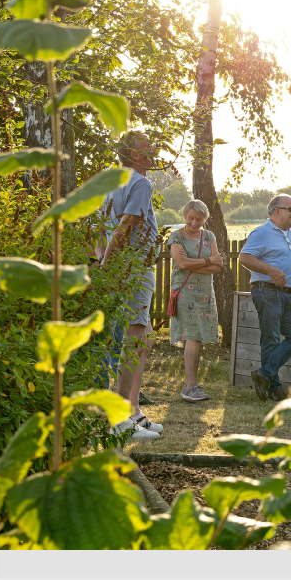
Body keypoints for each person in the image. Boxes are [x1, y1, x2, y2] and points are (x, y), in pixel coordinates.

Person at [97, 131, 163, 440]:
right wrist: (109, 263)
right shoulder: (140, 182)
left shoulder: (113, 181)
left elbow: (98, 228)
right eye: (147, 148)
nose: (153, 152)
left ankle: (131, 412)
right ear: (133, 155)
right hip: (133, 267)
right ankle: (121, 419)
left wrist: (102, 262)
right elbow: (127, 223)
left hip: (121, 268)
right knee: (134, 339)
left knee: (141, 337)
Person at [238, 195, 291, 402]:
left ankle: (264, 374)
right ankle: (274, 388)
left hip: (288, 295)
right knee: (271, 339)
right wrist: (270, 270)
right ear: (277, 211)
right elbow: (244, 258)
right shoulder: (262, 233)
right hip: (266, 291)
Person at [167, 199, 224, 402]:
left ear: (204, 219)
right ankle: (189, 386)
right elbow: (181, 262)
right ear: (185, 216)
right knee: (192, 335)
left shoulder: (209, 235)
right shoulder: (176, 236)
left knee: (198, 337)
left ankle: (193, 385)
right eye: (190, 218)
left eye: (198, 219)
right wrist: (208, 261)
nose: (194, 222)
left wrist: (194, 264)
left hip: (205, 294)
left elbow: (218, 267)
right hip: (185, 294)